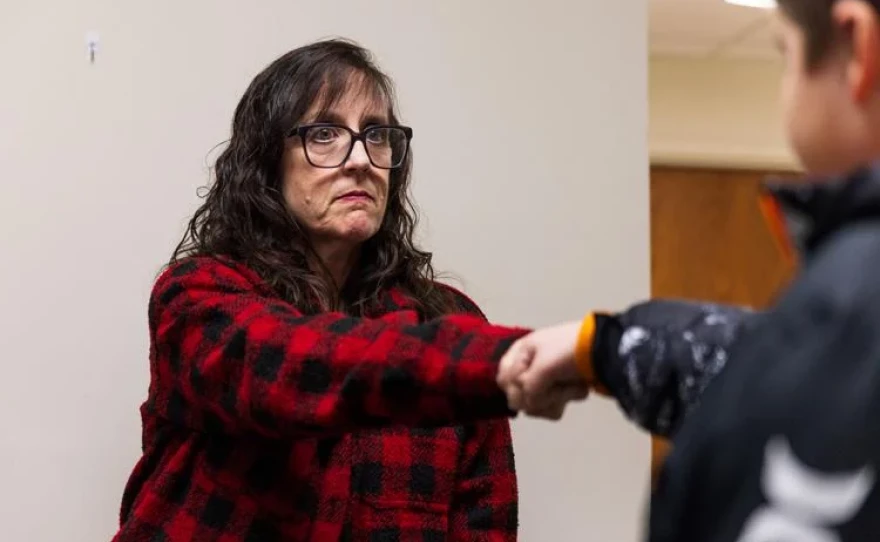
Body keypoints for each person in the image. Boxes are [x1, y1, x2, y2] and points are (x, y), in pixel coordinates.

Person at [112, 38, 552, 542]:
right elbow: (289, 367)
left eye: (376, 135)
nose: (360, 160)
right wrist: (496, 361)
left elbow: (484, 523)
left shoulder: (449, 320)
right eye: (324, 134)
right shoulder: (197, 296)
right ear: (268, 162)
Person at [499, 0, 880, 539]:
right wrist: (605, 346)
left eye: (786, 54)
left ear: (857, 47)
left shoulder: (851, 306)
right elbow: (761, 359)